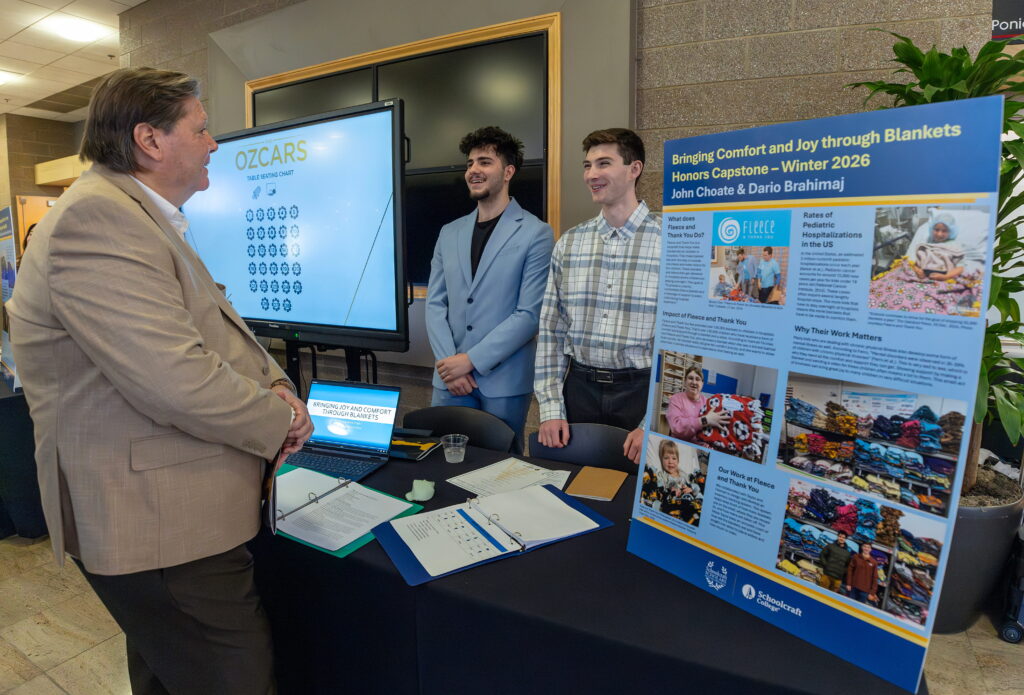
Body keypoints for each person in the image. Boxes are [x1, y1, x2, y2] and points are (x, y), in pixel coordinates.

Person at [6, 67, 313, 695]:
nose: (214, 143)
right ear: (149, 140)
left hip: (169, 519)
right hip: (161, 526)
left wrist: (275, 383)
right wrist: (281, 419)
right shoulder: (99, 220)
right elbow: (176, 378)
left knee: (169, 677)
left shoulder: (135, 215)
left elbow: (214, 329)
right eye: (201, 129)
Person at [535, 128, 660, 463]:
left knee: (633, 491)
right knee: (572, 486)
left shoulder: (671, 241)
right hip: (579, 391)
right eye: (587, 166)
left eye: (604, 163)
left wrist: (655, 421)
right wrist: (550, 408)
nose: (591, 174)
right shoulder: (570, 243)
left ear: (634, 169)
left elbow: (684, 341)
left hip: (642, 393)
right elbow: (551, 329)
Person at [426, 126, 553, 453]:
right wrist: (450, 365)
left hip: (504, 382)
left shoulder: (536, 233)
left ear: (508, 172)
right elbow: (435, 305)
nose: (474, 170)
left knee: (500, 470)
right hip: (449, 379)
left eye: (484, 162)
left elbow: (529, 315)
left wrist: (470, 361)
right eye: (470, 163)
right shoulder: (449, 232)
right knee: (441, 464)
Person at [665, 365, 730, 442]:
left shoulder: (707, 402)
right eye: (690, 378)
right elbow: (676, 427)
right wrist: (704, 420)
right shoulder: (675, 399)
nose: (694, 382)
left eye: (698, 379)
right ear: (685, 381)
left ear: (702, 384)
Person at [912, 215, 965, 281]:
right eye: (936, 230)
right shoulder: (927, 244)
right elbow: (915, 262)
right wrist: (917, 271)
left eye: (944, 231)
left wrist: (945, 277)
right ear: (931, 229)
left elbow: (960, 268)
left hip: (946, 279)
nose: (939, 234)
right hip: (923, 279)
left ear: (951, 231)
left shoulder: (954, 246)